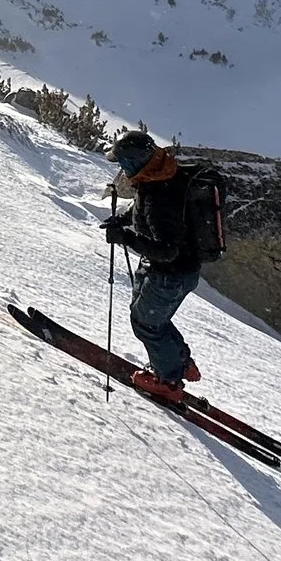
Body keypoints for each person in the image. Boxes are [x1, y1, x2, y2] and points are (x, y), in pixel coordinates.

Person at [101, 129, 205, 400]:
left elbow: (167, 250)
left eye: (124, 164)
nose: (123, 171)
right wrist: (123, 220)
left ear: (135, 162)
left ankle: (168, 382)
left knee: (146, 323)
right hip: (176, 270)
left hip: (169, 274)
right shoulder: (162, 175)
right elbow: (144, 208)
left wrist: (126, 238)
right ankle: (180, 361)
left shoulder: (159, 196)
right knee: (149, 318)